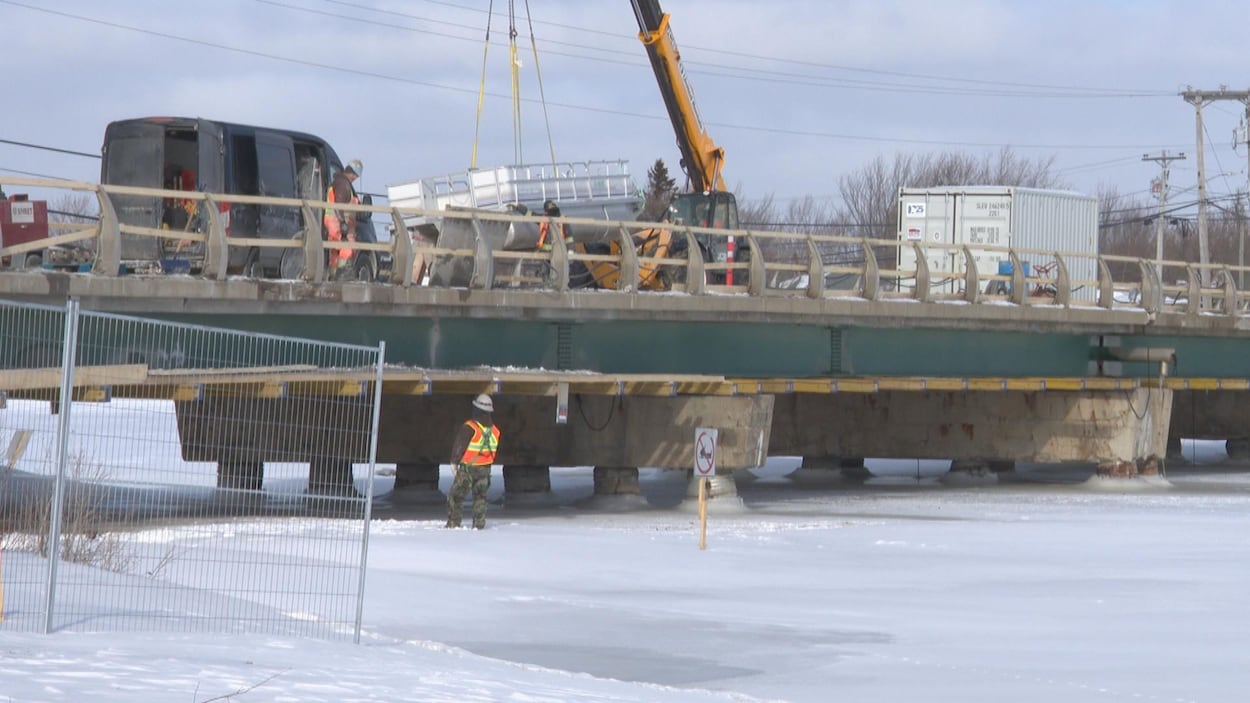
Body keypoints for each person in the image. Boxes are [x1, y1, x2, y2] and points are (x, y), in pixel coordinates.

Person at [446, 393, 501, 530]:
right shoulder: (495, 431)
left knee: (456, 496)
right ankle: (479, 525)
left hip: (468, 469)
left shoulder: (470, 427)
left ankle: (453, 524)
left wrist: (454, 461)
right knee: (480, 498)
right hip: (485, 469)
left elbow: (460, 445)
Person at [324, 159, 363, 279]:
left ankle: (332, 275)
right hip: (338, 223)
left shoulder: (337, 182)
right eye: (356, 176)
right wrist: (343, 223)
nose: (355, 179)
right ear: (353, 174)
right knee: (347, 249)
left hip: (332, 222)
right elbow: (339, 204)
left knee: (334, 252)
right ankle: (342, 274)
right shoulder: (343, 184)